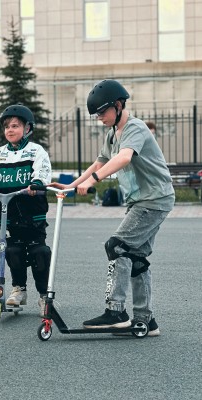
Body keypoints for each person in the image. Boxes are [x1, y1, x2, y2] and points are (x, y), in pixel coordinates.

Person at [50, 79, 174, 335]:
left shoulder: (135, 128)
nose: (98, 118)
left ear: (118, 105)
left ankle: (116, 310)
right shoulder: (112, 133)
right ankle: (145, 320)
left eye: (101, 112)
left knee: (116, 246)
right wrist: (71, 186)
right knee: (135, 256)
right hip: (143, 201)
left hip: (153, 200)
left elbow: (124, 157)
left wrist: (95, 182)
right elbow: (99, 163)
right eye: (95, 114)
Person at [0, 104, 52, 316]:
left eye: (15, 125)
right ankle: (19, 289)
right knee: (13, 250)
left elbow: (43, 172)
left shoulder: (36, 151)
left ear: (27, 129)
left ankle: (44, 295)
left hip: (32, 213)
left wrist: (36, 184)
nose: (9, 130)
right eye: (6, 126)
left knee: (38, 252)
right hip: (8, 213)